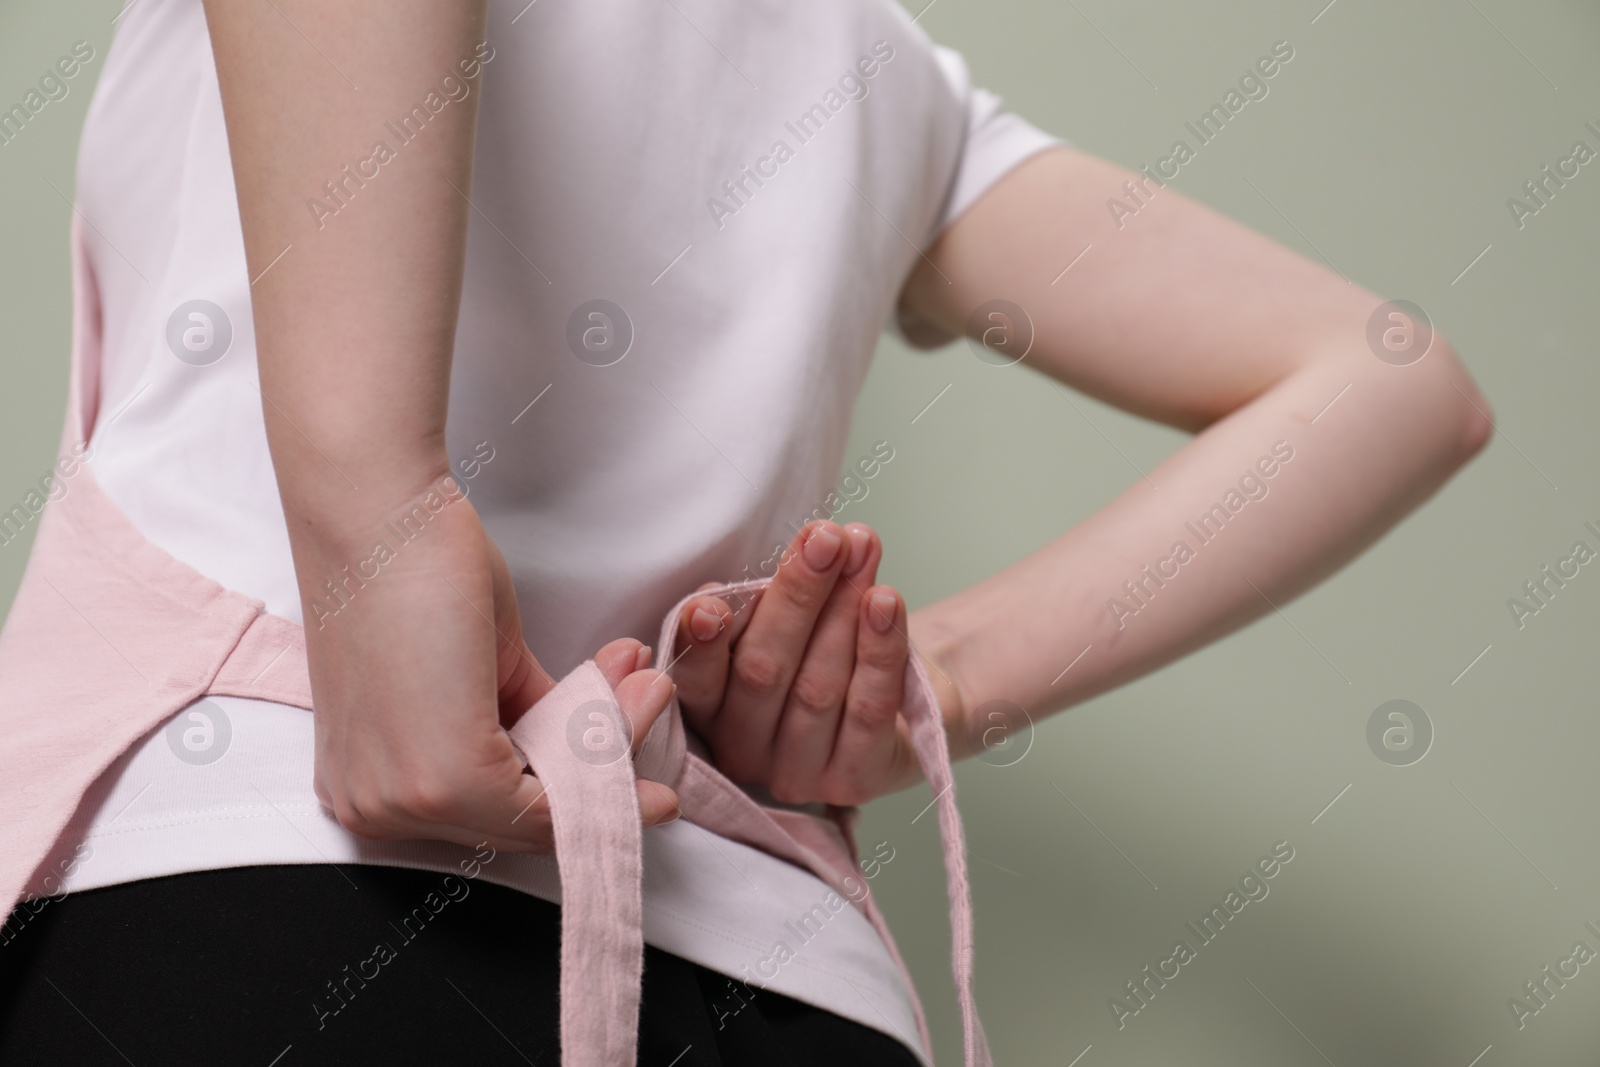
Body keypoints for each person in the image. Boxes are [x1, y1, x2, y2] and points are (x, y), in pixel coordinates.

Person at [0, 0, 1491, 1063]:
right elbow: (1399, 384)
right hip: (789, 987)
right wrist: (935, 689)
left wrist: (373, 520)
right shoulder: (891, 78)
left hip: (255, 875)